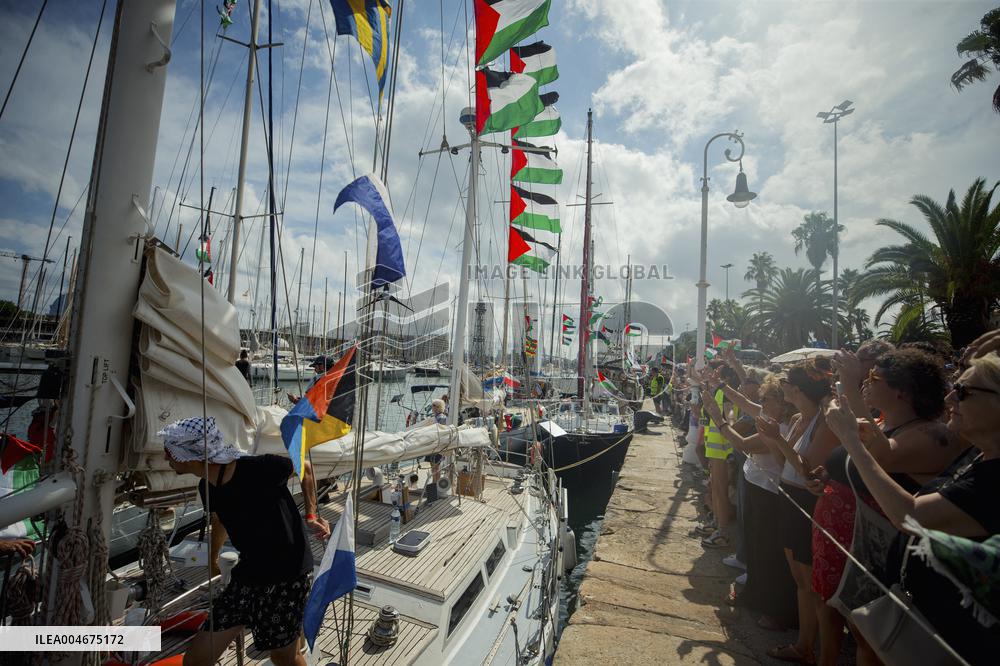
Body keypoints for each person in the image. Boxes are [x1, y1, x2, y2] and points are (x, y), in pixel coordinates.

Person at [823, 351, 1000, 666]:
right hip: (921, 611)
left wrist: (851, 440)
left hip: (952, 634)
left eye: (963, 391)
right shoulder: (979, 453)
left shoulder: (993, 475)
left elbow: (912, 516)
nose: (950, 397)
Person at [161, 417, 329, 666]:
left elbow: (306, 467)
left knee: (284, 657)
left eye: (170, 451)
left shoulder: (260, 467)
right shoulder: (207, 487)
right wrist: (213, 556)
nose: (167, 458)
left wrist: (312, 514)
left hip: (287, 575)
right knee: (196, 660)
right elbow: (220, 519)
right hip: (248, 575)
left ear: (192, 455)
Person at [755, 357, 840, 665]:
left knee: (815, 586)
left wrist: (776, 439)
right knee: (801, 580)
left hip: (808, 501)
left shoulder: (825, 423)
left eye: (787, 384)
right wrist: (771, 438)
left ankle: (820, 654)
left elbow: (808, 471)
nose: (783, 389)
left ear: (797, 389)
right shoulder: (796, 420)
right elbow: (783, 466)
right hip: (788, 497)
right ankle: (804, 645)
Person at [700, 371, 798, 630]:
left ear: (782, 402)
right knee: (755, 546)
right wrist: (720, 385)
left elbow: (742, 442)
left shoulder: (781, 428)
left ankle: (771, 606)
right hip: (756, 485)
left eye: (766, 399)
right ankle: (754, 595)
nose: (761, 402)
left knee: (767, 551)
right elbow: (745, 403)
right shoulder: (770, 416)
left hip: (768, 492)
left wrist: (719, 419)